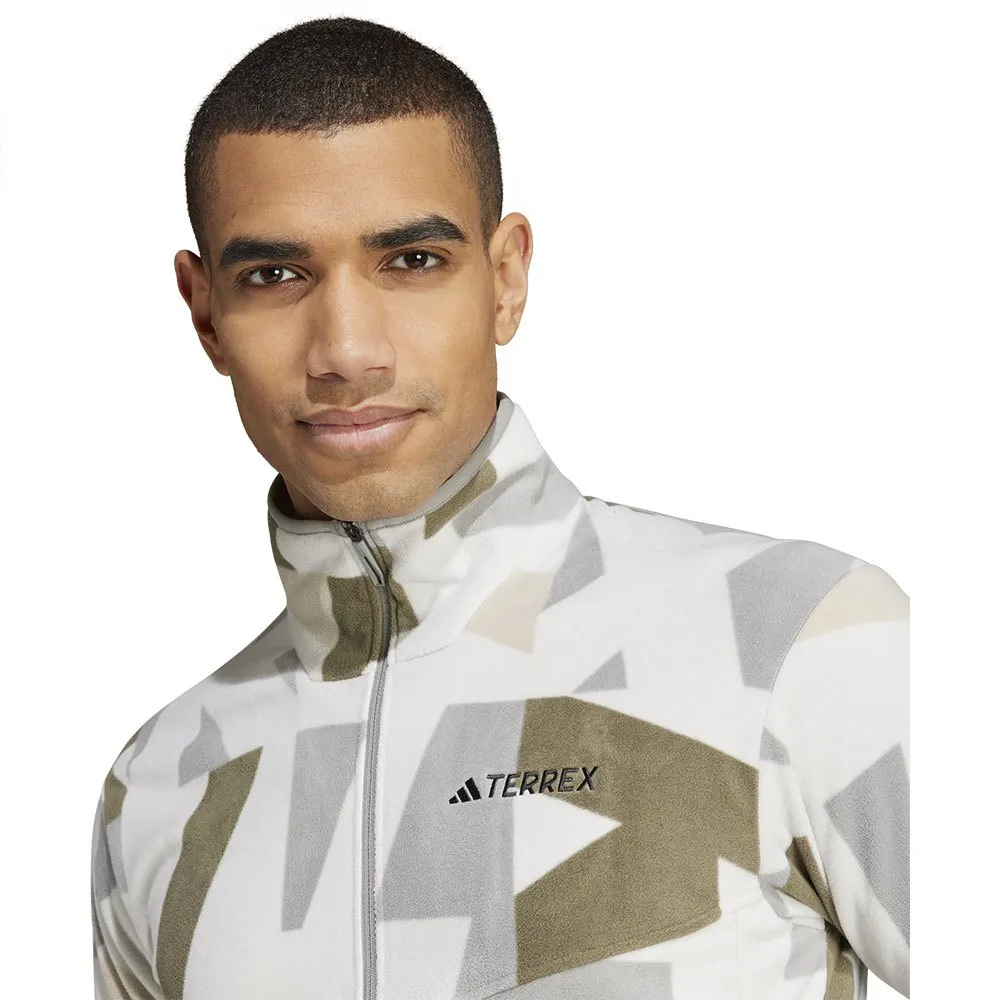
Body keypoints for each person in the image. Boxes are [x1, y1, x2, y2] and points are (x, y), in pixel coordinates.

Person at [90, 15, 909, 1000]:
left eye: (411, 261)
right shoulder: (161, 787)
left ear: (506, 278)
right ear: (204, 312)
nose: (346, 351)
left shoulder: (798, 641)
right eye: (274, 275)